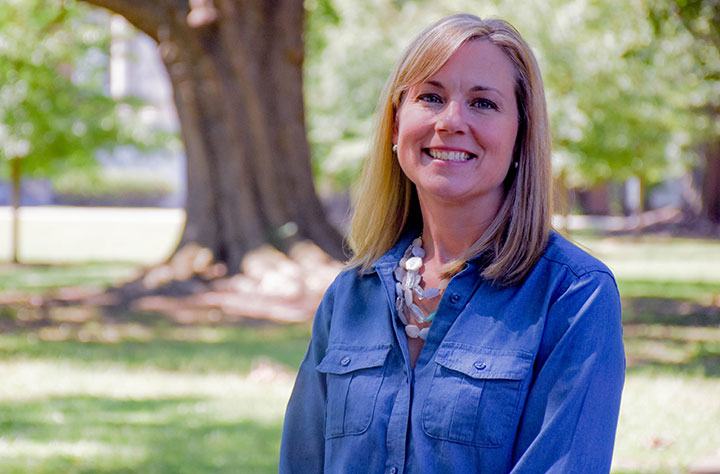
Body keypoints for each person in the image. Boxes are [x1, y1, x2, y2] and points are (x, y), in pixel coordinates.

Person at [280, 13, 625, 474]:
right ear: (395, 124)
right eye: (430, 96)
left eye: (483, 103)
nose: (451, 121)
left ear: (521, 134)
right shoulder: (348, 297)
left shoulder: (574, 295)